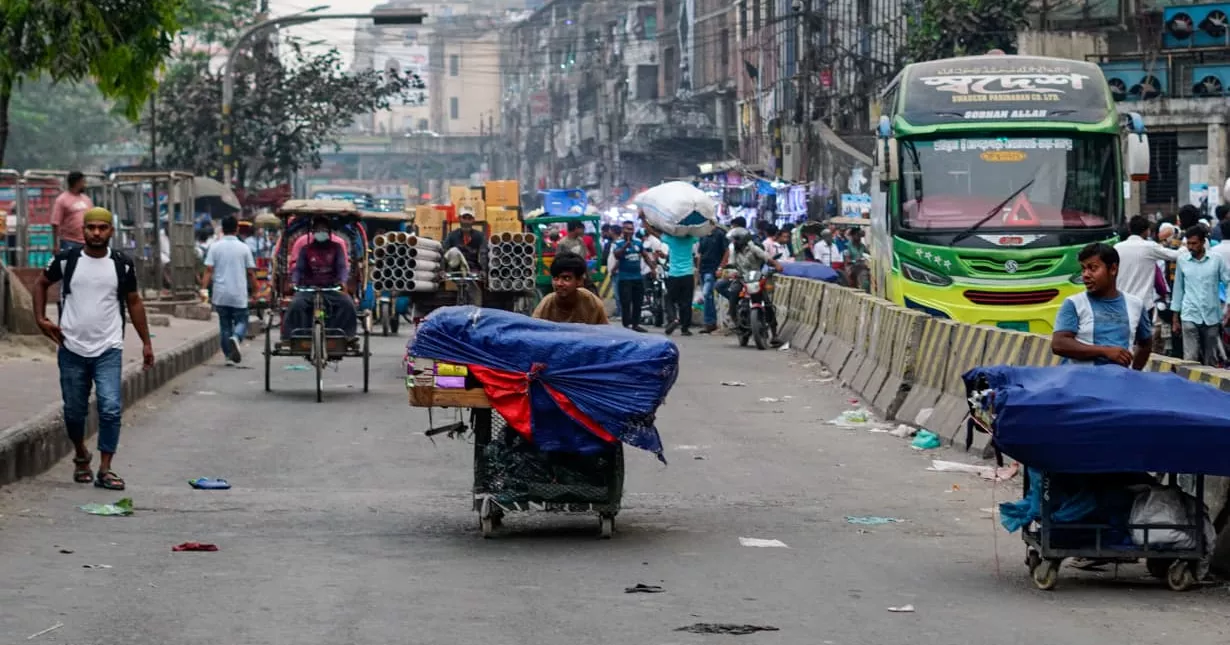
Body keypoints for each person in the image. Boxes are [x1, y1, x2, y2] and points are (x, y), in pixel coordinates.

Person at [32, 207, 155, 491]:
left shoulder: (122, 264)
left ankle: (105, 468)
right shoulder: (67, 260)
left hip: (108, 348)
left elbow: (134, 302)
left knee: (110, 408)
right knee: (74, 412)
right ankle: (81, 454)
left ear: (111, 230)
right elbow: (41, 283)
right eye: (91, 228)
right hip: (71, 347)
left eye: (102, 227)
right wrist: (40, 319)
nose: (97, 233)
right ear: (83, 231)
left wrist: (146, 342)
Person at [1051, 243, 1151, 369]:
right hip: (1080, 380)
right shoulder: (1074, 303)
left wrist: (1133, 373)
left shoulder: (1135, 304)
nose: (1085, 275)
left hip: (1119, 380)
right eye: (1083, 269)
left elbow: (1145, 344)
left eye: (1093, 268)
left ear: (1113, 269)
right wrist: (1105, 351)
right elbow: (1059, 344)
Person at [285, 215, 358, 338]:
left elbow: (342, 267)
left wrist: (343, 281)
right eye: (318, 230)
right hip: (308, 289)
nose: (321, 232)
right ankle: (298, 336)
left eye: (323, 229)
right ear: (313, 232)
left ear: (329, 232)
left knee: (348, 304)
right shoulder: (305, 249)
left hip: (331, 288)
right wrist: (294, 282)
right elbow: (299, 269)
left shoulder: (336, 248)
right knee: (295, 305)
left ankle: (341, 336)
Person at [1172, 226, 1230, 366]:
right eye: (1188, 244)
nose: (1190, 247)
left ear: (1203, 242)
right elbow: (1178, 289)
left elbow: (1228, 282)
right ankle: (1188, 380)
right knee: (1190, 358)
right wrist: (1175, 317)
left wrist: (1229, 306)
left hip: (1212, 315)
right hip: (1189, 313)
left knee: (1211, 359)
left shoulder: (1216, 260)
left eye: (1194, 243)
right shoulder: (1182, 260)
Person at [203, 215, 257, 364]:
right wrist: (256, 290)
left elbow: (208, 270)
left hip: (220, 294)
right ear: (237, 229)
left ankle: (228, 356)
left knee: (225, 325)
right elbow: (251, 272)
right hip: (239, 294)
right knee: (242, 321)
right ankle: (237, 337)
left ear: (222, 229)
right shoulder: (244, 248)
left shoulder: (215, 247)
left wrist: (203, 289)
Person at [717, 228, 784, 339]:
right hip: (741, 278)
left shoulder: (753, 248)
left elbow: (766, 257)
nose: (734, 242)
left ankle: (774, 334)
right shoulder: (733, 250)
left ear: (742, 240)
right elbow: (731, 264)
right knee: (733, 293)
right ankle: (734, 319)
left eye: (735, 240)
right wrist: (731, 273)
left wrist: (776, 265)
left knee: (767, 304)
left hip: (756, 278)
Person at [1114, 215, 1179, 317]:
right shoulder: (1150, 247)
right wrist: (1185, 247)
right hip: (1143, 304)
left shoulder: (1117, 248)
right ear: (1147, 231)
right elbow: (1175, 255)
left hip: (1122, 304)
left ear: (1130, 229)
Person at [532, 252, 609, 324]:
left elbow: (605, 331)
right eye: (555, 278)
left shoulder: (592, 304)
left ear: (579, 281)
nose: (559, 283)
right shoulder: (546, 305)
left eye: (566, 278)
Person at [613, 220, 651, 332]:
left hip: (637, 278)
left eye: (631, 229)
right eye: (627, 229)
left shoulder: (638, 242)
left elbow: (645, 256)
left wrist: (652, 268)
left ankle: (635, 324)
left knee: (638, 302)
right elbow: (616, 255)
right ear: (623, 230)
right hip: (624, 278)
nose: (630, 231)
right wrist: (625, 246)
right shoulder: (618, 243)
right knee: (626, 302)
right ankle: (626, 325)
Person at [661, 229, 699, 336]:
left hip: (674, 275)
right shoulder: (690, 239)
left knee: (669, 299)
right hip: (688, 275)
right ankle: (685, 328)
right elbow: (698, 233)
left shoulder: (671, 239)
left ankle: (673, 319)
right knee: (686, 302)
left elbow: (656, 233)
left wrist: (645, 222)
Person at [51, 171, 93, 252]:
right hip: (69, 241)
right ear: (76, 183)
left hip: (86, 242)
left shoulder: (87, 199)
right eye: (83, 182)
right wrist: (55, 245)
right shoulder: (62, 200)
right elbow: (55, 223)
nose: (84, 185)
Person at [697, 225, 728, 334]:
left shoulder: (720, 234)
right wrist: (698, 269)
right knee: (707, 296)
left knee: (707, 294)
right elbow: (700, 253)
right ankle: (710, 322)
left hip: (713, 269)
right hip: (703, 269)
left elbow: (726, 251)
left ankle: (710, 323)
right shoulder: (702, 235)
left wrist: (720, 267)